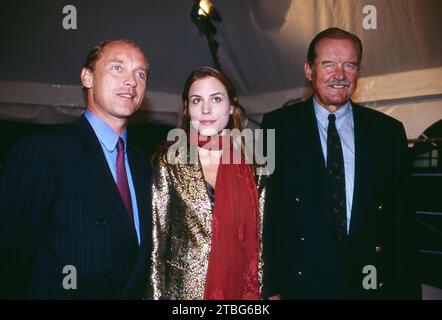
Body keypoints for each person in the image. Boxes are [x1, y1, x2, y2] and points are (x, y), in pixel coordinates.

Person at [261, 27, 420, 299]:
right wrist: (271, 287)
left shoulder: (388, 132)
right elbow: (268, 214)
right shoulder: (277, 128)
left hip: (369, 285)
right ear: (309, 70)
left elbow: (402, 220)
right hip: (302, 285)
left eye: (350, 65)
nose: (340, 75)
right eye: (329, 64)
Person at [0, 39, 152, 299]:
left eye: (140, 73)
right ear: (87, 77)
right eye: (118, 68)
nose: (132, 81)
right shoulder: (44, 149)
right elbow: (9, 254)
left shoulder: (142, 165)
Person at [149, 67, 267, 300]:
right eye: (196, 100)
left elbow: (261, 247)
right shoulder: (170, 162)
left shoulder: (254, 167)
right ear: (186, 108)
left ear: (231, 106)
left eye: (216, 99)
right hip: (184, 296)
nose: (206, 109)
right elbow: (156, 247)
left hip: (239, 294)